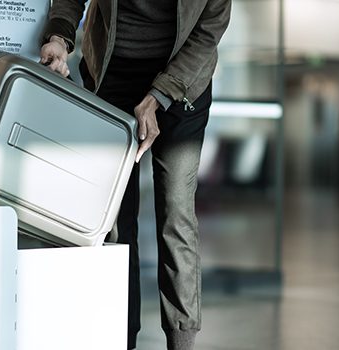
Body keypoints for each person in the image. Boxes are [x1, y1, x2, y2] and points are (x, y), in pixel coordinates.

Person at [39, 1, 232, 349]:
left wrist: (159, 95)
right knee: (113, 220)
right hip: (114, 74)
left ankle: (181, 338)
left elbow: (209, 27)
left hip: (183, 81)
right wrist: (60, 37)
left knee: (176, 215)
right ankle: (120, 334)